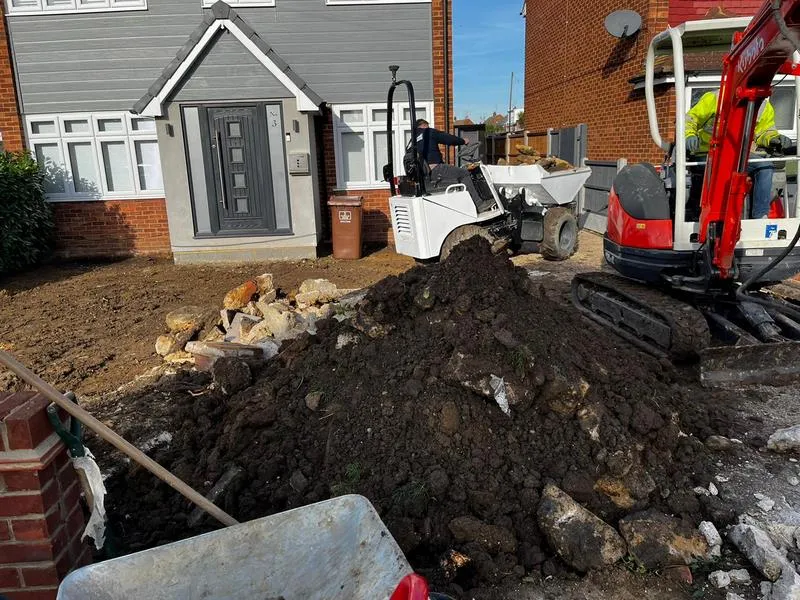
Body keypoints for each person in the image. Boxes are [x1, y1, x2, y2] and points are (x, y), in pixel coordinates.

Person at [686, 91, 792, 218]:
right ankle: (706, 213)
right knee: (722, 170)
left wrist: (774, 138)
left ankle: (760, 216)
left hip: (738, 155)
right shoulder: (715, 98)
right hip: (707, 153)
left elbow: (765, 132)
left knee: (765, 166)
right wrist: (689, 135)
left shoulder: (763, 107)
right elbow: (691, 119)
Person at [414, 119, 481, 202]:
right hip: (436, 169)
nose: (429, 127)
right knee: (464, 173)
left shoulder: (413, 139)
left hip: (425, 175)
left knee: (456, 174)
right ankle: (479, 204)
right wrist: (463, 141)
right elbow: (448, 138)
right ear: (424, 126)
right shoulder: (428, 132)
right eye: (428, 126)